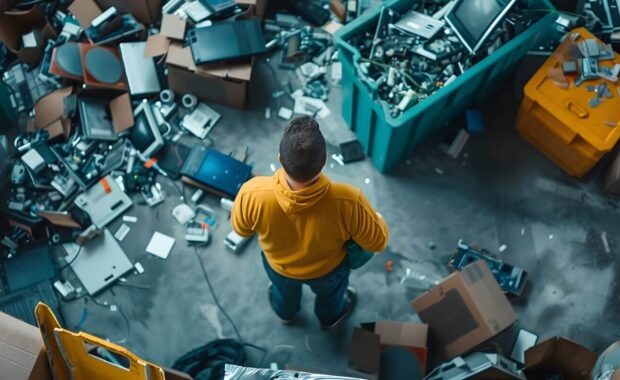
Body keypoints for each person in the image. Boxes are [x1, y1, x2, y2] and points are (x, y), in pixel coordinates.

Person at [231, 116, 389, 328]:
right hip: (328, 272)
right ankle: (329, 319)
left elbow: (240, 229)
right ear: (323, 161)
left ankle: (285, 314)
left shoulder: (253, 192)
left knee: (283, 294)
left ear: (280, 157)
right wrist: (375, 219)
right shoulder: (349, 201)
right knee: (331, 298)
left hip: (279, 268)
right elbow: (377, 243)